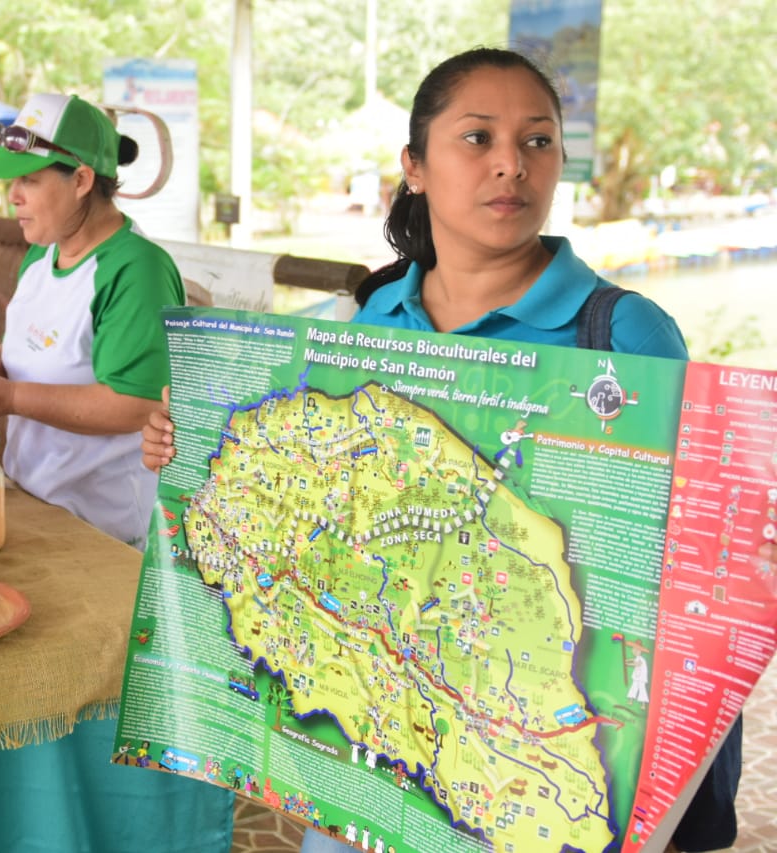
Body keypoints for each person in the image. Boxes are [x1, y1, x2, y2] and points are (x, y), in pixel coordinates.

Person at [141, 47, 765, 853]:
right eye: (478, 138)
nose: (512, 165)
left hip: (526, 774)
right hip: (381, 747)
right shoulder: (371, 322)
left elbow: (690, 544)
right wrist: (182, 443)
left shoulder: (624, 333)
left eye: (538, 141)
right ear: (416, 167)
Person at [0, 93, 182, 550]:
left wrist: (10, 396)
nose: (11, 196)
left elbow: (136, 405)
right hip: (32, 503)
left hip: (101, 532)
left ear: (80, 180)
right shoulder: (43, 251)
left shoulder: (135, 269)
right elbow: (41, 347)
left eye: (29, 181)